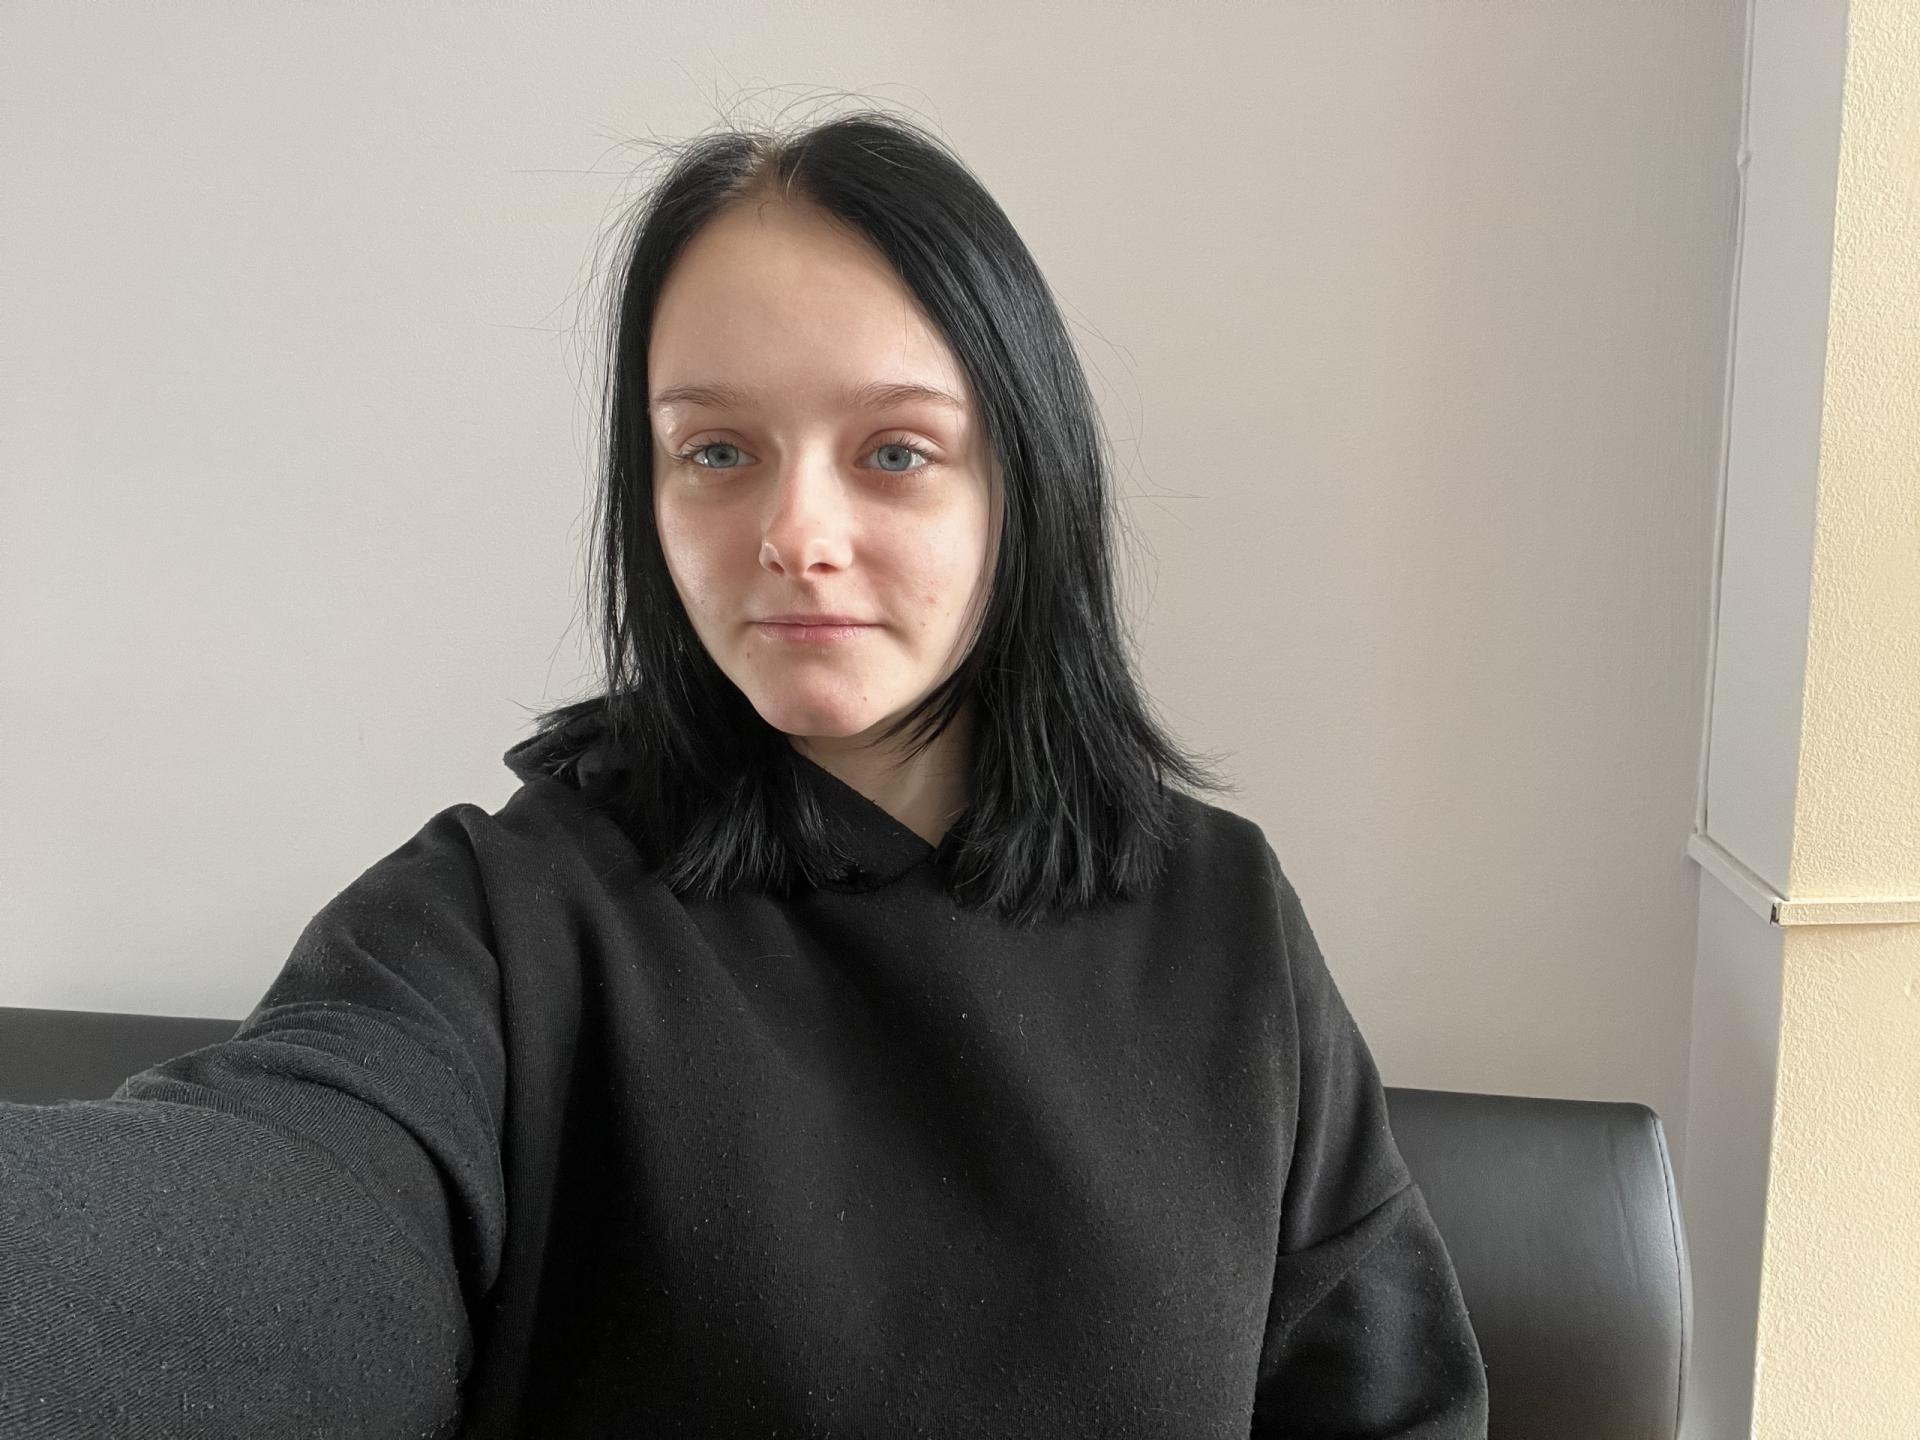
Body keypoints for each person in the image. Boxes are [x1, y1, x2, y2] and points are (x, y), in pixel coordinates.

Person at [0, 109, 1489, 1438]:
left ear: (1025, 484)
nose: (793, 536)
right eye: (716, 452)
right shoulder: (502, 918)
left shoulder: (1224, 918)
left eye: (896, 453)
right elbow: (281, 1203)